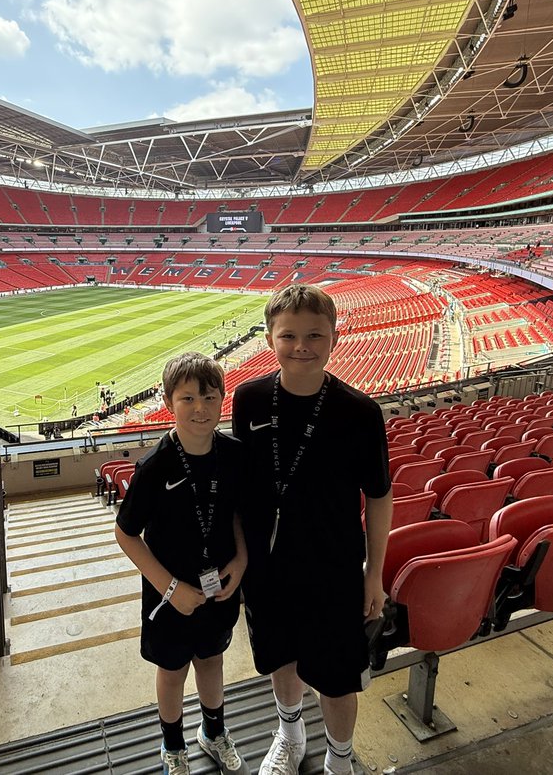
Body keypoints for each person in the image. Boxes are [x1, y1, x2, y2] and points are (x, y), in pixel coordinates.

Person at [232, 284, 392, 775]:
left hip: (335, 566)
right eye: (289, 335)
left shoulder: (361, 412)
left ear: (334, 338)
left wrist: (373, 576)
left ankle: (339, 760)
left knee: (338, 676)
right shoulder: (248, 399)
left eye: (314, 335)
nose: (301, 345)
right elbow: (242, 489)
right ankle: (290, 734)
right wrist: (240, 559)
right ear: (269, 338)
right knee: (281, 656)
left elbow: (380, 497)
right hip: (267, 565)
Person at [115, 352, 250, 775]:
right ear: (169, 402)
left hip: (219, 588)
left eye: (209, 397)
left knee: (212, 661)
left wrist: (242, 560)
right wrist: (171, 590)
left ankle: (213, 734)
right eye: (187, 398)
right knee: (172, 672)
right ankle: (172, 746)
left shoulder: (233, 454)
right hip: (168, 596)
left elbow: (236, 514)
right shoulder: (154, 467)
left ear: (221, 400)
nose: (199, 408)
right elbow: (125, 534)